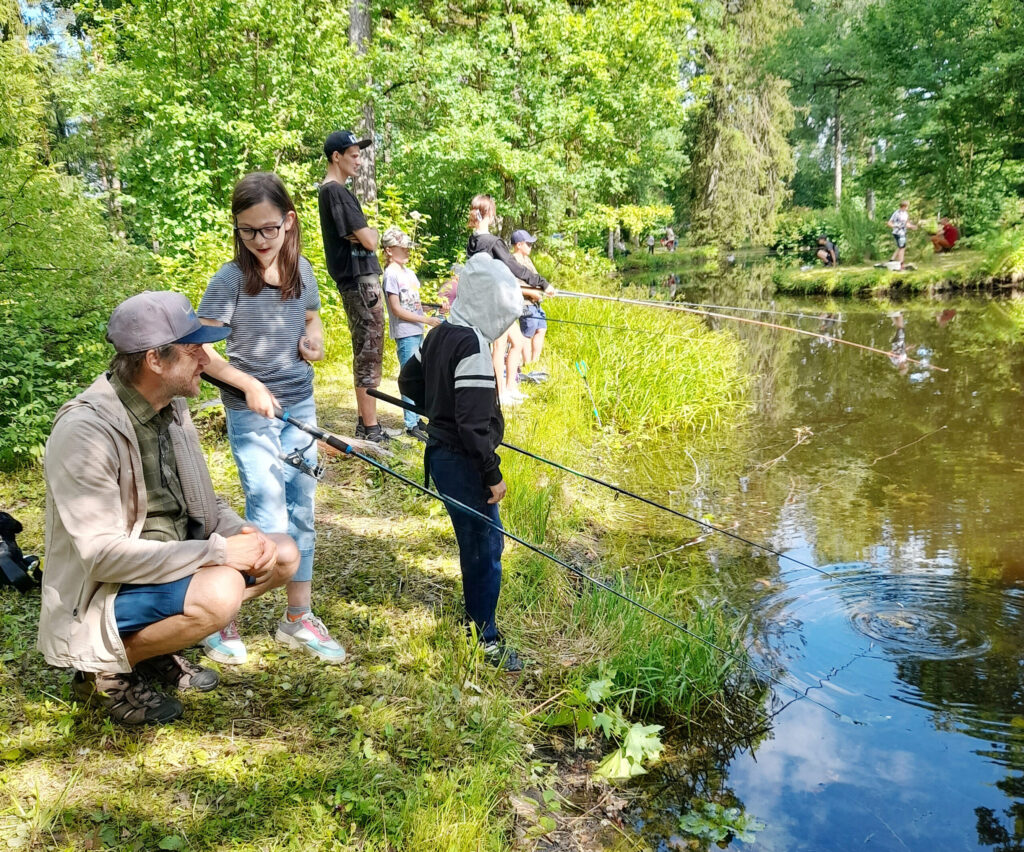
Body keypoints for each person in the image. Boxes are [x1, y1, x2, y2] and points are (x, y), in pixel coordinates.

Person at [38, 290, 299, 726]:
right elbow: (102, 556)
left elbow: (201, 500)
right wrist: (218, 554)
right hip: (107, 589)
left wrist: (242, 534)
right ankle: (102, 668)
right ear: (155, 361)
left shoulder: (171, 407)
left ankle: (151, 649)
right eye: (193, 349)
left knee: (283, 553)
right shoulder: (84, 432)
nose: (205, 359)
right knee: (220, 593)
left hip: (171, 561)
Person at [196, 172, 346, 666]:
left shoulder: (302, 270)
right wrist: (250, 385)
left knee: (302, 508)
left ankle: (296, 618)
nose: (259, 241)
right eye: (247, 231)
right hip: (250, 410)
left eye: (268, 229)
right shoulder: (230, 279)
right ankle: (224, 618)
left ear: (289, 222)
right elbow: (201, 353)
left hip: (299, 405)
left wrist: (315, 342)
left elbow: (311, 318)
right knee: (267, 511)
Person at [398, 253, 525, 672]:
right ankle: (484, 635)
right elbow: (473, 426)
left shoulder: (440, 333)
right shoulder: (471, 343)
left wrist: (436, 408)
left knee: (476, 540)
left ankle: (476, 616)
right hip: (464, 462)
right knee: (486, 544)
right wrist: (492, 474)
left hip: (440, 454)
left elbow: (407, 380)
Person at [318, 129, 388, 443]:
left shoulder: (337, 192)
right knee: (369, 353)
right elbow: (370, 240)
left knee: (366, 350)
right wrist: (368, 232)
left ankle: (366, 423)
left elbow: (362, 237)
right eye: (355, 155)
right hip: (361, 283)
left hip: (359, 283)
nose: (359, 161)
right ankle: (371, 429)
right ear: (337, 156)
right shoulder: (335, 192)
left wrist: (364, 234)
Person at [465, 194, 550, 406]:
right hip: (496, 304)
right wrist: (543, 283)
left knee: (519, 342)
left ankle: (510, 387)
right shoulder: (492, 242)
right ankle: (500, 393)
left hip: (488, 299)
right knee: (499, 346)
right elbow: (515, 267)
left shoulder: (473, 241)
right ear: (490, 214)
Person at [381, 225, 440, 441]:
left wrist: (431, 308)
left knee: (421, 375)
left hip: (417, 330)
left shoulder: (409, 274)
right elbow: (396, 309)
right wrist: (427, 320)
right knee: (409, 376)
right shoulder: (391, 275)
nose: (407, 251)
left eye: (408, 248)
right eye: (403, 248)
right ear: (389, 250)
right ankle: (410, 423)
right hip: (406, 333)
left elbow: (413, 304)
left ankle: (418, 417)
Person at [511, 229, 553, 376]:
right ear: (519, 244)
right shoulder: (513, 261)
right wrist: (531, 293)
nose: (530, 247)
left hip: (535, 303)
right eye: (528, 244)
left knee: (541, 329)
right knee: (527, 333)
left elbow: (535, 278)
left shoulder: (527, 260)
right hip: (524, 304)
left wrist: (542, 291)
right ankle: (527, 364)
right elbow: (514, 287)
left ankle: (535, 362)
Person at [887, 201, 917, 269]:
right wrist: (895, 226)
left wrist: (912, 226)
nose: (907, 208)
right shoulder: (896, 213)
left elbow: (907, 224)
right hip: (897, 232)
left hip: (903, 232)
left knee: (900, 247)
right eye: (907, 207)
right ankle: (901, 263)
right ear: (903, 206)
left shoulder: (906, 214)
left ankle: (892, 259)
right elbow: (889, 223)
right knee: (902, 248)